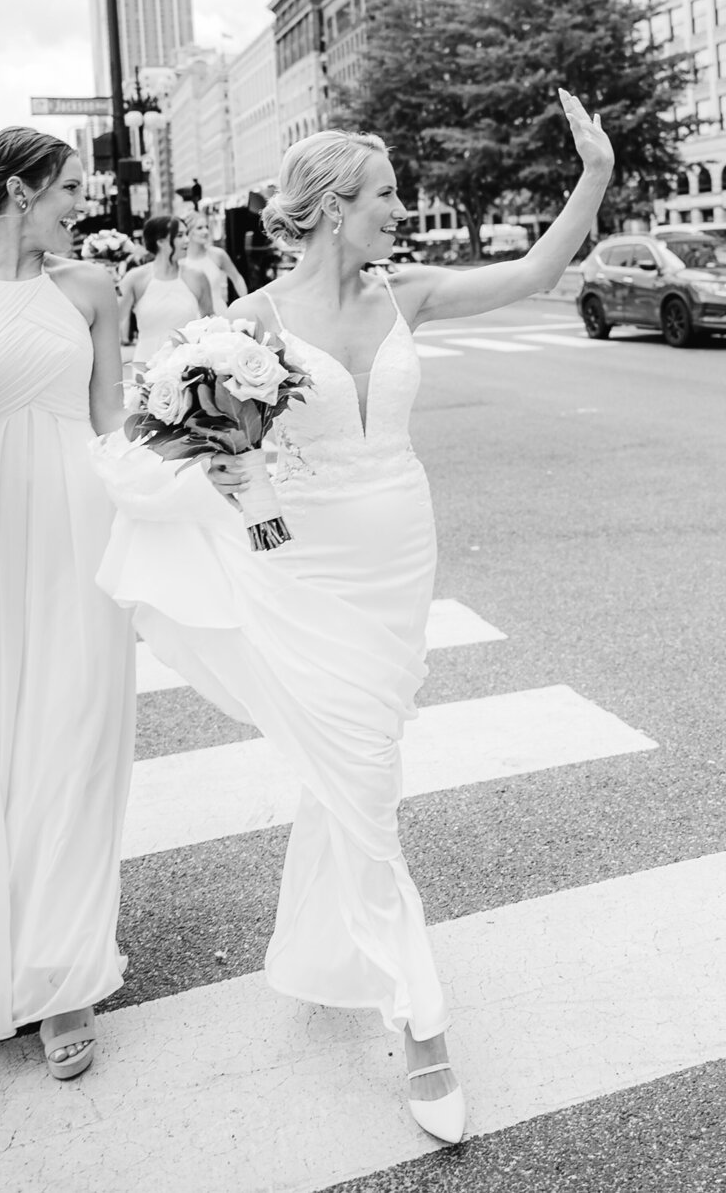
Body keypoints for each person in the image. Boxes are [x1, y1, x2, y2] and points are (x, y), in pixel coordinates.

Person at [93, 90, 613, 1141]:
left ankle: (327, 951)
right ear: (331, 205)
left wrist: (592, 174)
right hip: (303, 571)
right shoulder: (250, 324)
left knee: (360, 767)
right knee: (363, 786)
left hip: (398, 554)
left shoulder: (405, 292)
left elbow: (532, 273)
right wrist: (250, 495)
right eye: (382, 193)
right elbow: (193, 444)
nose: (398, 208)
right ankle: (420, 1020)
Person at [0, 126, 136, 1079]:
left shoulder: (94, 290)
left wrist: (200, 459)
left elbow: (110, 422)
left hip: (73, 530)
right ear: (19, 189)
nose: (79, 207)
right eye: (67, 190)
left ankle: (64, 981)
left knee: (69, 733)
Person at [118, 214, 212, 364]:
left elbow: (209, 322)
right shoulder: (135, 278)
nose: (187, 240)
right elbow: (115, 319)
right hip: (146, 366)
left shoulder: (197, 277)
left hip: (187, 368)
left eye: (186, 234)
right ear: (160, 241)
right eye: (180, 235)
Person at [184, 212, 247, 313]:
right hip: (192, 316)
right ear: (188, 232)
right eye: (199, 228)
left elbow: (237, 278)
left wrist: (244, 303)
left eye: (206, 227)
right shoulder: (181, 261)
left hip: (218, 313)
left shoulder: (217, 254)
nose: (205, 231)